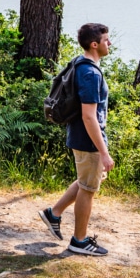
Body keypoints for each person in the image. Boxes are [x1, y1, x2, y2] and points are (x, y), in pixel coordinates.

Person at [39, 23, 113, 256]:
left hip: (78, 136)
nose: (109, 43)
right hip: (88, 139)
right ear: (95, 44)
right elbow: (89, 117)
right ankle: (79, 241)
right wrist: (104, 152)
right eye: (106, 40)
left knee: (85, 181)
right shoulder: (90, 74)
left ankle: (54, 213)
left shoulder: (79, 63)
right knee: (88, 189)